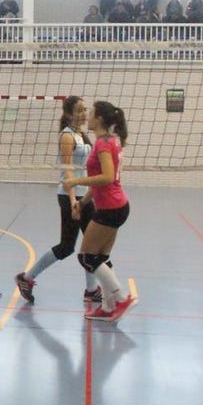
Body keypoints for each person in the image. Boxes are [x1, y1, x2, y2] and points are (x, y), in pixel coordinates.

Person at [15, 97, 104, 305]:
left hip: (85, 194)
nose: (84, 113)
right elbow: (68, 171)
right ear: (69, 114)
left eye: (85, 110)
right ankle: (26, 278)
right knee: (67, 246)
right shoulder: (67, 136)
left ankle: (91, 290)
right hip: (70, 196)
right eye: (80, 110)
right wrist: (74, 201)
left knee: (89, 245)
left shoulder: (82, 135)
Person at [62, 101, 137, 323]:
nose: (88, 117)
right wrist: (83, 203)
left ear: (101, 120)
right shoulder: (108, 141)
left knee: (86, 257)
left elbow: (106, 177)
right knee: (101, 258)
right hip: (115, 205)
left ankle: (121, 298)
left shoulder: (104, 144)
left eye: (91, 113)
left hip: (112, 207)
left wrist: (76, 180)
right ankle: (107, 306)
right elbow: (101, 183)